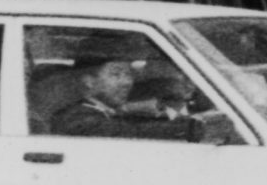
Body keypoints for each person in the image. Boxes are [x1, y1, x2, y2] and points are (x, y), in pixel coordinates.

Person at [49, 60, 202, 141]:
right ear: (89, 81)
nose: (126, 82)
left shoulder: (102, 111)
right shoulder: (77, 118)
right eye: (116, 74)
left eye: (128, 74)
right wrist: (190, 126)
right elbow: (132, 133)